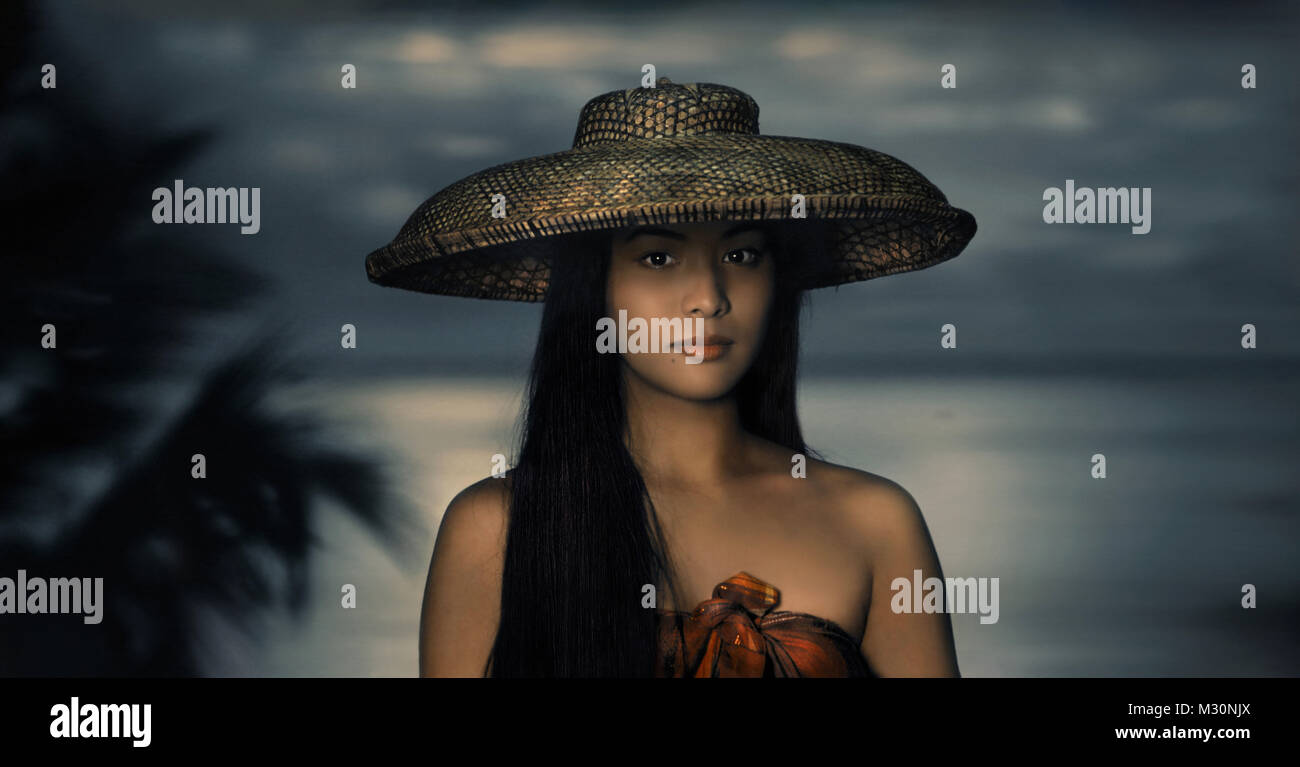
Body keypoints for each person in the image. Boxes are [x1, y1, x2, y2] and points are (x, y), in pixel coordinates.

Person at [364, 77, 977, 677]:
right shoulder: (493, 527)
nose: (708, 298)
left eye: (742, 255)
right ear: (594, 288)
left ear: (777, 281)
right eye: (657, 257)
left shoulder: (874, 520)